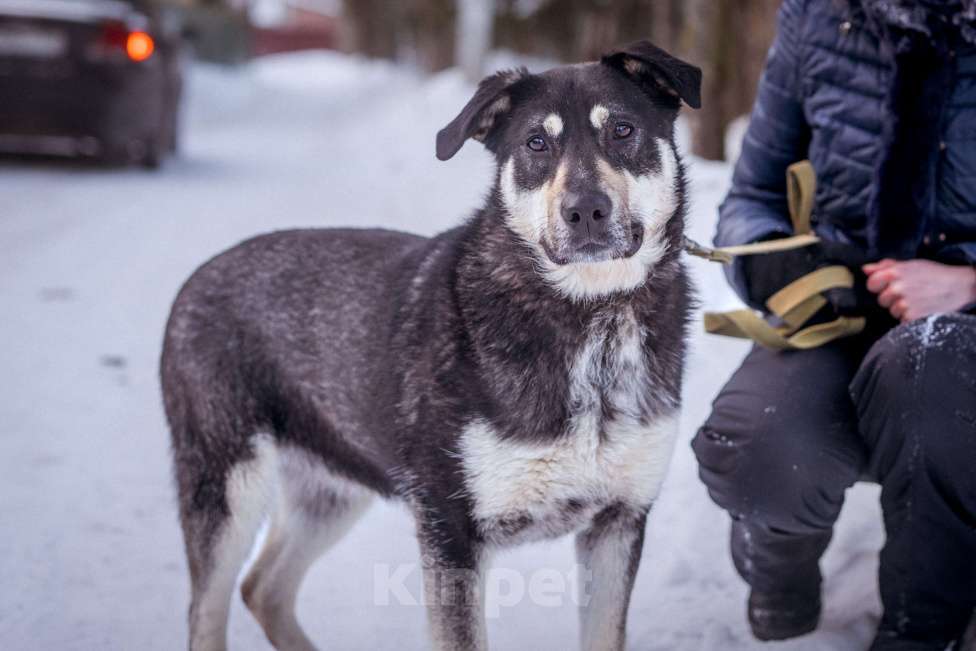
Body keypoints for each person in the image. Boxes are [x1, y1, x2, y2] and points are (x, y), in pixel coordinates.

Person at [692, 1, 976, 649]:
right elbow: (752, 198)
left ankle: (923, 627)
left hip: (962, 342)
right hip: (839, 313)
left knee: (930, 378)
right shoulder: (818, 15)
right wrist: (780, 266)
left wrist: (967, 284)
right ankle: (783, 581)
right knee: (758, 444)